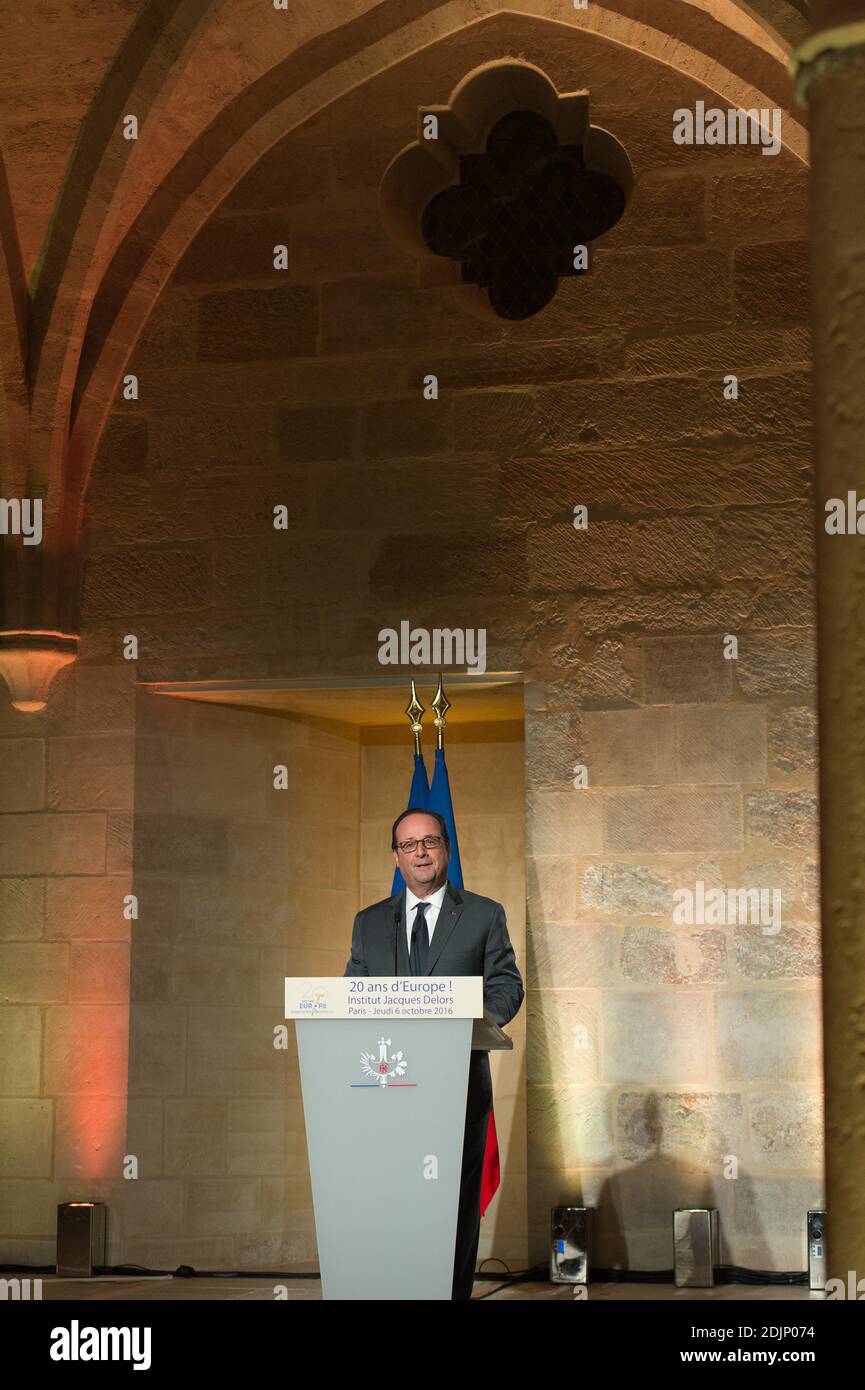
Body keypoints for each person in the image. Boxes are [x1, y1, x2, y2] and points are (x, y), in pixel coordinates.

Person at [344, 806, 524, 1300]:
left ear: (446, 849)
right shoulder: (369, 923)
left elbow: (507, 984)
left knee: (454, 1209)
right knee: (396, 1207)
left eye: (430, 842)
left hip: (458, 1088)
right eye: (408, 844)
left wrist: (477, 1020)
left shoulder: (484, 914)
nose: (420, 852)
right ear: (396, 856)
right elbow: (350, 996)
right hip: (387, 1090)